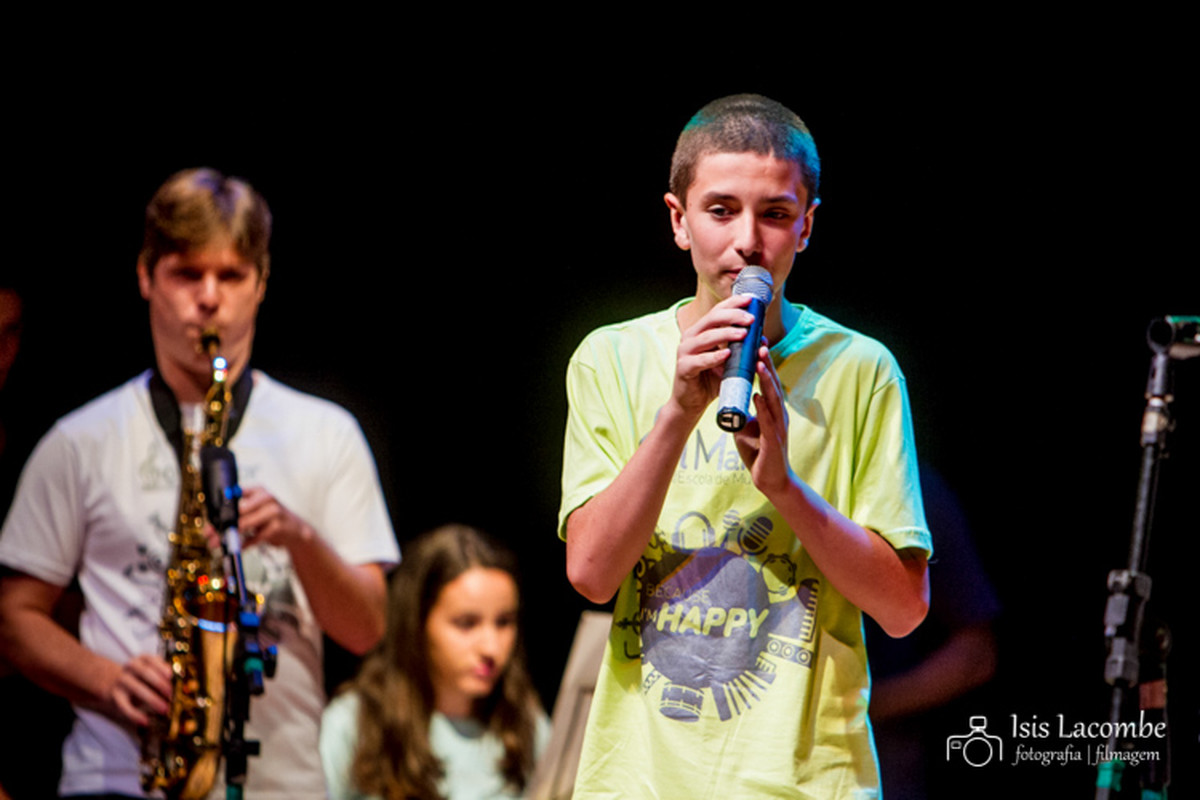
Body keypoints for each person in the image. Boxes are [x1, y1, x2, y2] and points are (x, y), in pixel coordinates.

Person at [559, 94, 932, 798]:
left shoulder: (861, 370)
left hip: (808, 781)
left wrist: (786, 488)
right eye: (721, 210)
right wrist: (678, 410)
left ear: (807, 227)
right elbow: (592, 573)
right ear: (679, 220)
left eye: (776, 214)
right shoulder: (610, 359)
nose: (748, 241)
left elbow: (905, 609)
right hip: (642, 780)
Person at [0, 168, 399, 798]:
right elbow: (14, 617)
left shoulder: (328, 433)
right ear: (145, 276)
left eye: (232, 275)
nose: (209, 299)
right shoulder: (79, 441)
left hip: (281, 782)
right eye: (187, 274)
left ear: (262, 282)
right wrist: (105, 679)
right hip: (117, 778)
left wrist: (299, 538)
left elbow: (370, 629)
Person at [320, 524, 548, 800]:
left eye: (504, 622)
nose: (491, 647)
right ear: (417, 623)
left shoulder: (524, 723)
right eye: (467, 624)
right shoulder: (356, 721)